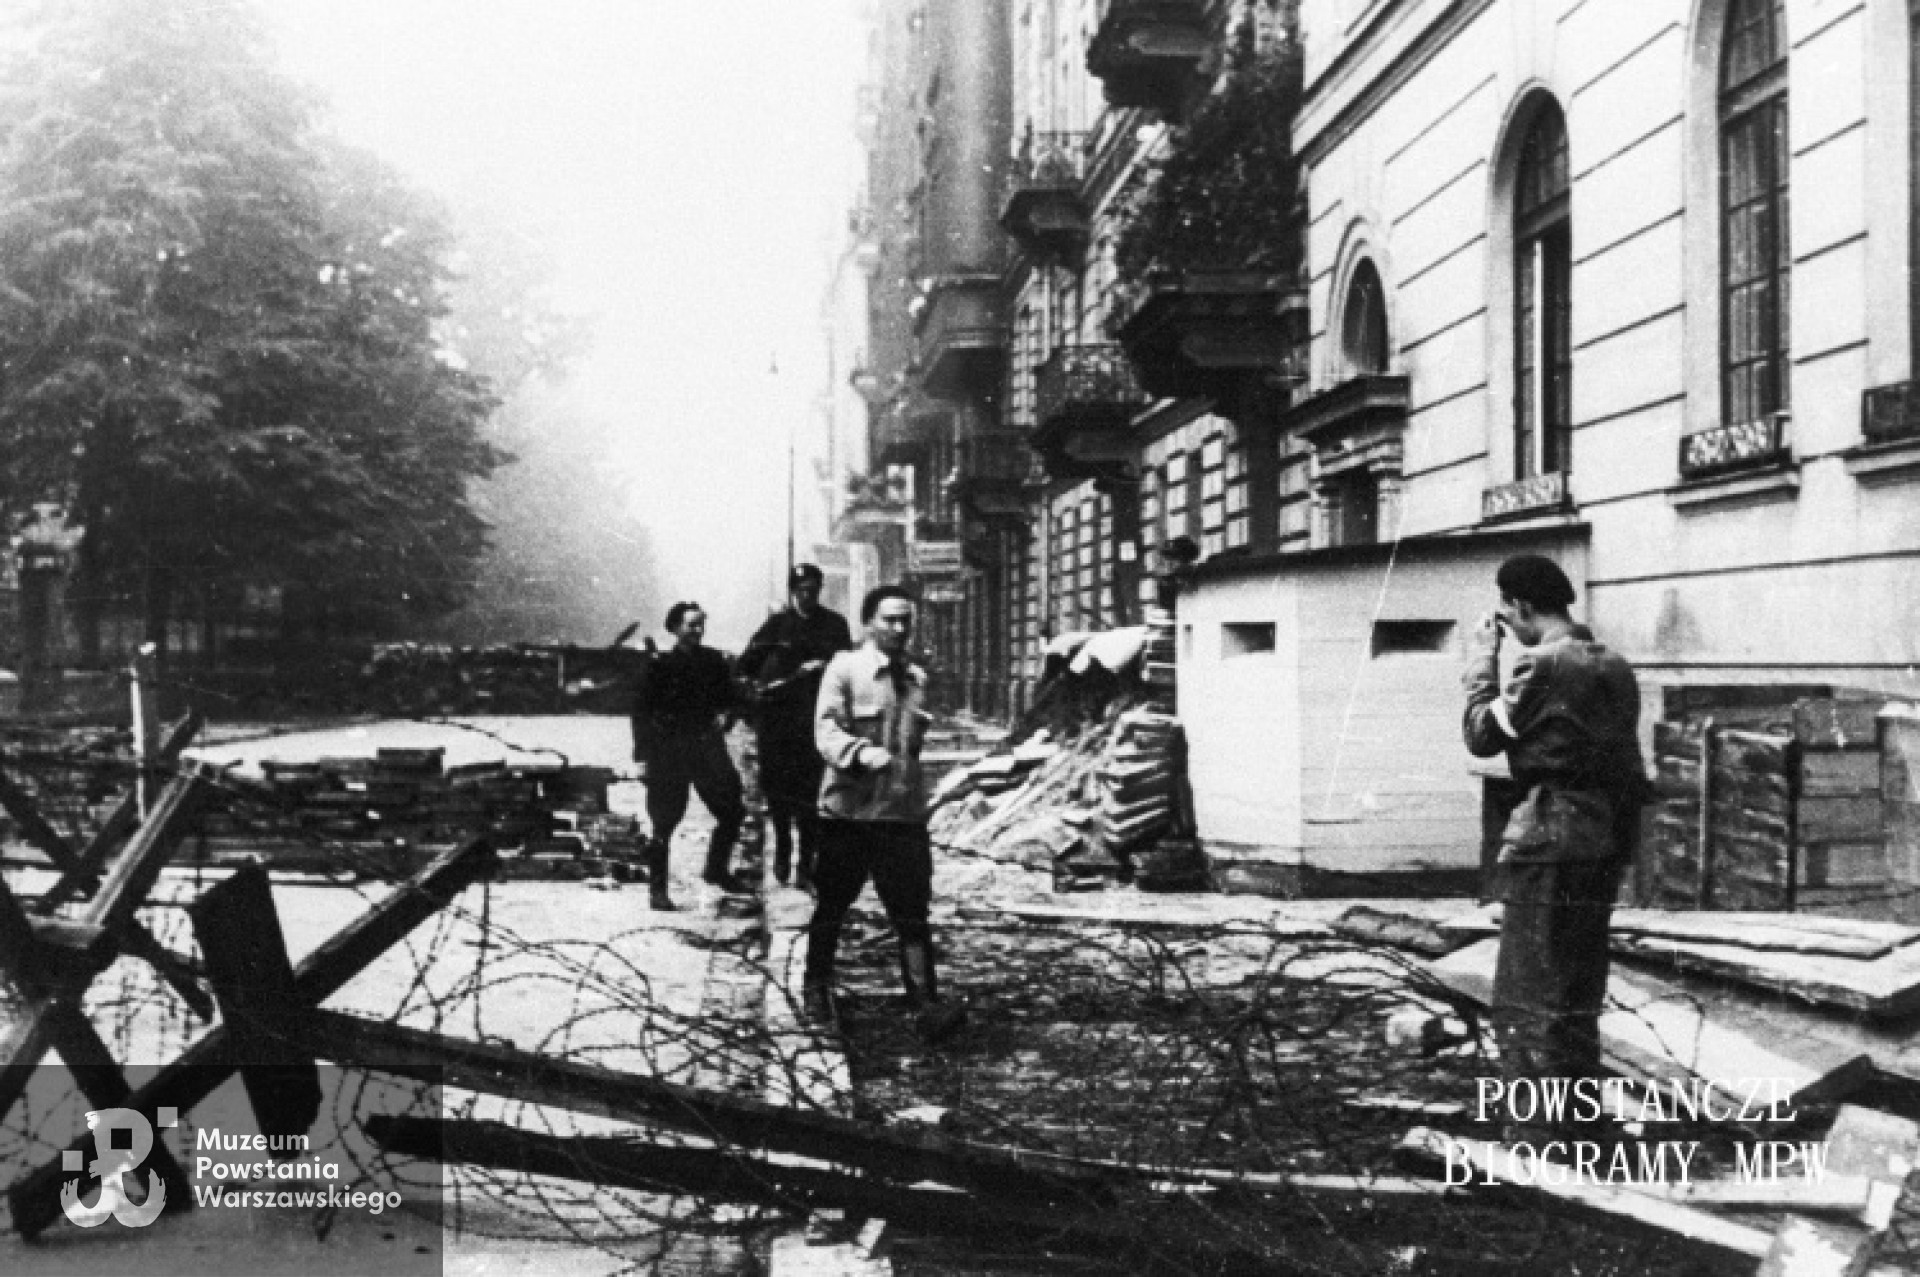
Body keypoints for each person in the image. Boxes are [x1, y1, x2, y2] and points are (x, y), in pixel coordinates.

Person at [1461, 554, 1650, 1143]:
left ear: (1519, 606)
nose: (1510, 625)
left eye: (1509, 615)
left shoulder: (1540, 666)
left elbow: (1480, 735)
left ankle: (1534, 1134)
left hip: (1548, 839)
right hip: (1601, 840)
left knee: (1526, 990)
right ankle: (1577, 1124)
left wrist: (1482, 659)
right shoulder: (1614, 664)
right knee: (1577, 987)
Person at [803, 585, 964, 1040]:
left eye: (905, 621)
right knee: (833, 904)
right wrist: (860, 753)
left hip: (901, 816)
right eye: (890, 619)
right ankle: (816, 987)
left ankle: (925, 1001)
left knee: (912, 911)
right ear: (869, 622)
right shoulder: (845, 670)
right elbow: (825, 732)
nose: (898, 629)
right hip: (848, 815)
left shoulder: (916, 679)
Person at [630, 601, 750, 909]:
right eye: (691, 625)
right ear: (674, 628)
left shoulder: (713, 661)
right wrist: (642, 757)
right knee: (665, 820)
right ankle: (658, 890)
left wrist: (727, 715)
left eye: (701, 625)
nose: (697, 631)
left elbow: (732, 697)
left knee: (732, 809)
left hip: (706, 746)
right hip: (668, 749)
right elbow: (641, 714)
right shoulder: (658, 665)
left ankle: (716, 869)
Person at [738, 564, 852, 888]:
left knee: (810, 794)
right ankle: (782, 848)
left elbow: (848, 669)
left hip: (814, 723)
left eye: (813, 589)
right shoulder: (776, 627)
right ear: (793, 591)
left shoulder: (834, 625)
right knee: (777, 792)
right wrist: (759, 687)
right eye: (802, 589)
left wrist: (826, 666)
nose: (808, 595)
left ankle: (806, 863)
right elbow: (746, 666)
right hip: (777, 724)